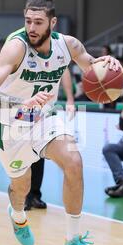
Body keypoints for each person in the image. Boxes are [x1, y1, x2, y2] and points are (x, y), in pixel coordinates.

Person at [0, 0, 122, 245]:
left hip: (44, 118)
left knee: (74, 161)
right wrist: (21, 104)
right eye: (28, 21)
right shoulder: (15, 48)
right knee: (21, 188)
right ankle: (18, 217)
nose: (31, 27)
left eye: (38, 22)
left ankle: (73, 240)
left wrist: (109, 69)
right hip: (11, 125)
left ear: (52, 23)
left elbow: (93, 68)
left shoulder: (68, 46)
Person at [25, 68, 76, 211]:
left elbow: (65, 69)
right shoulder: (23, 48)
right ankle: (24, 195)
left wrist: (70, 99)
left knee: (39, 152)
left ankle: (35, 195)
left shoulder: (57, 50)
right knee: (25, 150)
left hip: (47, 108)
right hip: (25, 106)